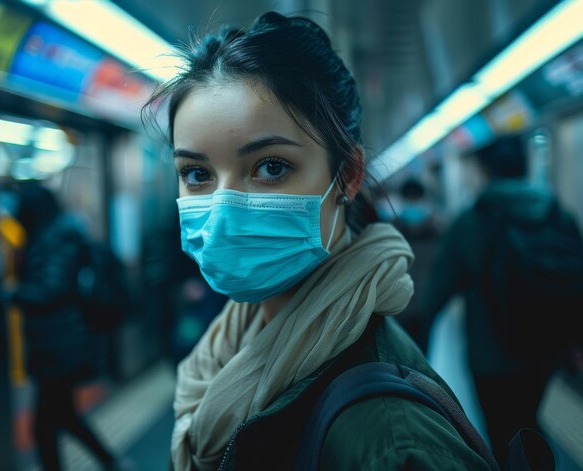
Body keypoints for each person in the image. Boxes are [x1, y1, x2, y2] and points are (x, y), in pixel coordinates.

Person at [144, 12, 497, 470]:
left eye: (271, 166)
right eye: (196, 174)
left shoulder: (394, 442)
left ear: (347, 176)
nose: (223, 210)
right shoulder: (237, 339)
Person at [421, 134, 583, 465]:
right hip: (548, 351)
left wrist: (417, 348)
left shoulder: (471, 222)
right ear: (524, 166)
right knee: (529, 418)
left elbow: (435, 294)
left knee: (502, 431)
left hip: (492, 357)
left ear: (484, 171)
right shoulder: (557, 213)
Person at [7, 182, 128, 471]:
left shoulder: (59, 239)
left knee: (46, 423)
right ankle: (111, 461)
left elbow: (50, 290)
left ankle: (110, 461)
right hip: (56, 343)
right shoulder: (53, 235)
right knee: (60, 416)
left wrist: (11, 294)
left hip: (62, 344)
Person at [393, 177, 441, 349]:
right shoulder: (390, 231)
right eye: (409, 199)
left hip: (422, 306)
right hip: (401, 307)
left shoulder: (438, 230)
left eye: (416, 198)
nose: (412, 203)